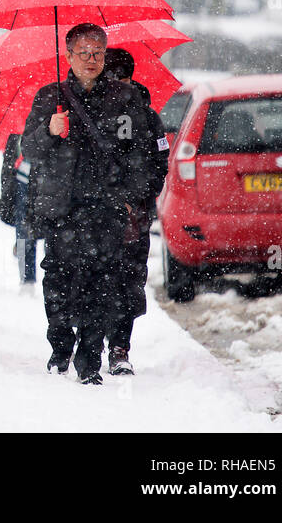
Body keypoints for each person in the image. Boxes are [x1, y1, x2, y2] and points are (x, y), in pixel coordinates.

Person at [22, 23, 155, 385]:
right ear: (68, 56)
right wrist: (49, 130)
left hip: (106, 206)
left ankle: (89, 362)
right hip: (63, 209)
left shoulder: (124, 100)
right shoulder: (51, 96)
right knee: (60, 282)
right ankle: (61, 347)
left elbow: (140, 153)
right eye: (84, 52)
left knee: (102, 284)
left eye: (98, 52)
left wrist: (132, 197)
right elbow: (28, 150)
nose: (91, 59)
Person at [102, 48, 170, 376]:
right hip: (95, 215)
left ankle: (119, 347)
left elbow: (160, 165)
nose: (115, 85)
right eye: (109, 78)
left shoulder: (148, 116)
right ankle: (89, 340)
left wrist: (138, 200)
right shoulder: (88, 114)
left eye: (120, 78)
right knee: (94, 279)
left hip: (133, 218)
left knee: (128, 282)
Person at [0, 133, 37, 284]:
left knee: (48, 228)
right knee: (24, 227)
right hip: (23, 178)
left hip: (48, 177)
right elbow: (10, 150)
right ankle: (27, 279)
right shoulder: (17, 119)